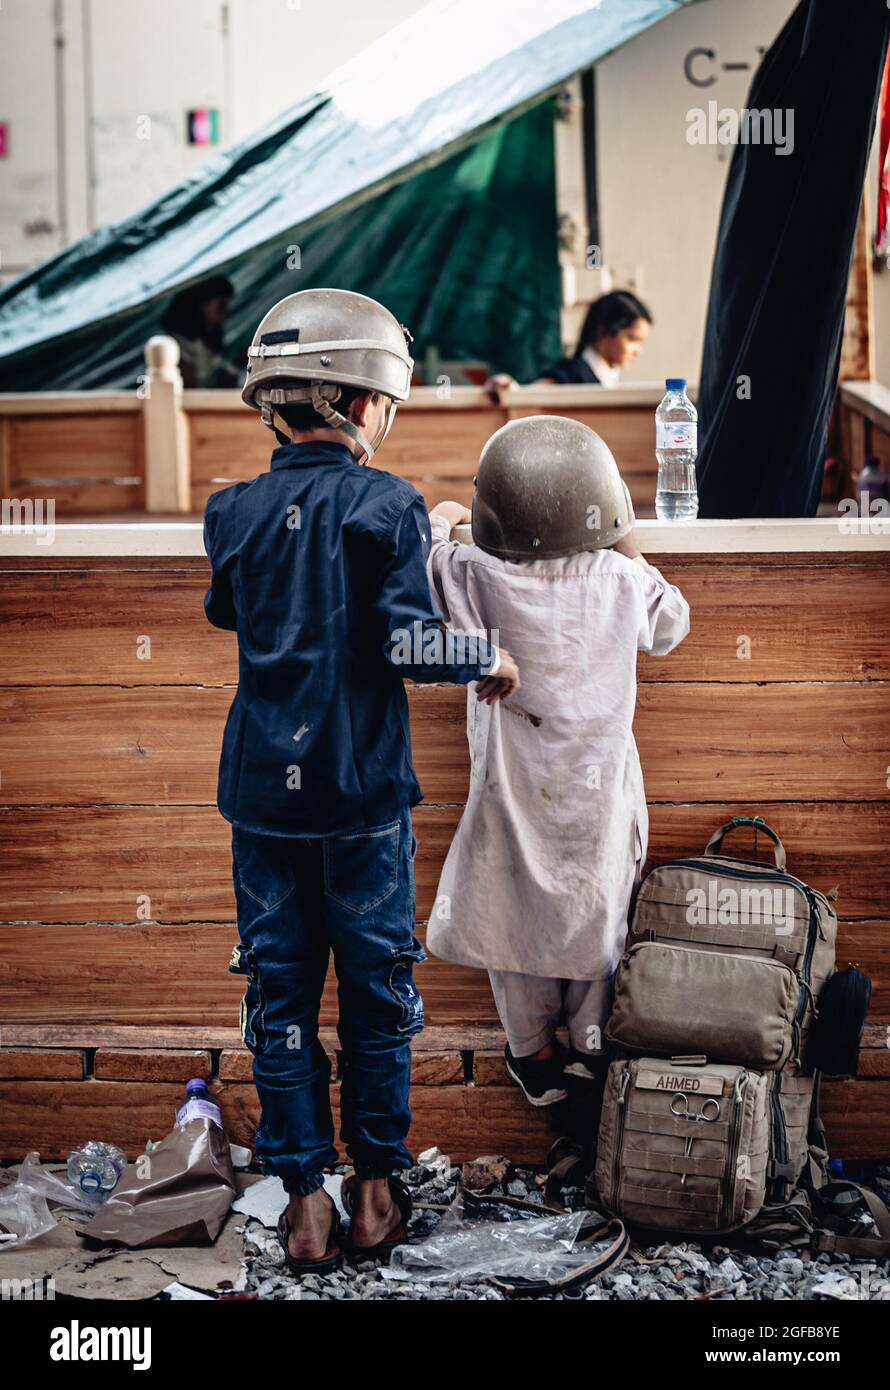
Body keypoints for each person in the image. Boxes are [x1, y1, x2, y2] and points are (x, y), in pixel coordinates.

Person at [202, 288, 519, 1275]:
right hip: (358, 795)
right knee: (377, 994)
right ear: (356, 402)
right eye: (387, 398)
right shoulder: (386, 504)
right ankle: (375, 1192)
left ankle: (304, 1203)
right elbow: (404, 640)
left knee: (281, 993)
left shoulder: (230, 510)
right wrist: (485, 658)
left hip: (260, 795)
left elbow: (226, 611)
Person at [424, 415, 689, 1125]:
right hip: (598, 797)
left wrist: (447, 512)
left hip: (511, 792)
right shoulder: (619, 578)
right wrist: (626, 537)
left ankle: (532, 1054)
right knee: (600, 912)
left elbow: (433, 545)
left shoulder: (474, 572)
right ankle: (592, 1050)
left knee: (510, 916)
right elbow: (673, 622)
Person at [485, 289, 653, 399]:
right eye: (632, 339)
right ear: (603, 332)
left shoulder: (607, 379)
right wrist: (509, 388)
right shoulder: (572, 373)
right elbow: (530, 395)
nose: (638, 351)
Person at [161, 274, 241, 387]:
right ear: (201, 305)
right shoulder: (177, 345)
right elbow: (191, 392)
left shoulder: (208, 341)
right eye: (221, 307)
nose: (225, 314)